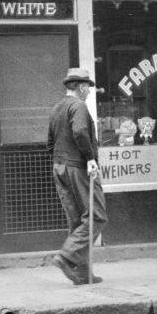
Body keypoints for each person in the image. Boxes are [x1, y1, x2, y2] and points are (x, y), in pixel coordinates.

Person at [47, 67, 107, 285]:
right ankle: (67, 256)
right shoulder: (78, 106)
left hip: (60, 167)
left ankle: (81, 273)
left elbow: (50, 143)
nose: (89, 92)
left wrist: (60, 164)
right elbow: (80, 131)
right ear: (81, 87)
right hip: (78, 167)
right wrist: (90, 159)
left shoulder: (57, 108)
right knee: (96, 215)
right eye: (88, 88)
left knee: (77, 220)